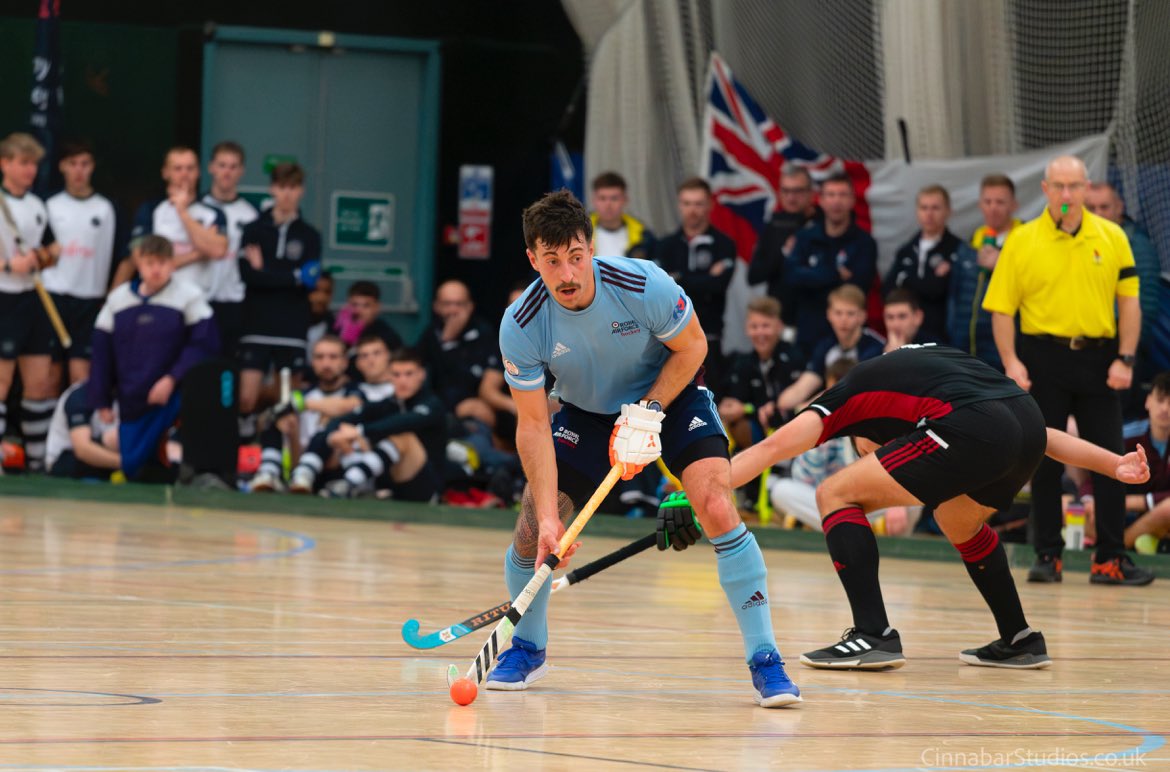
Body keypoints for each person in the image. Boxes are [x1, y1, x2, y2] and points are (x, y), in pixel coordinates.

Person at [493, 190, 800, 707]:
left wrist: (650, 409)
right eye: (551, 261)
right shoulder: (521, 323)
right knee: (530, 535)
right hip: (586, 415)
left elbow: (695, 346)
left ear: (590, 247)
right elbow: (531, 424)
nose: (567, 274)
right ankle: (527, 646)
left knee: (717, 503)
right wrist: (550, 519)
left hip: (671, 395)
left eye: (575, 256)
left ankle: (766, 658)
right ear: (533, 260)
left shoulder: (643, 283)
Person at [728, 344, 1153, 669]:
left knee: (835, 493)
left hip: (972, 426)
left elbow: (768, 449)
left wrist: (703, 493)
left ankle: (872, 635)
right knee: (956, 519)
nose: (869, 456)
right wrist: (1114, 464)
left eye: (864, 453)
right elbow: (1040, 434)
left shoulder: (843, 399)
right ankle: (1020, 638)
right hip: (1023, 424)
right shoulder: (925, 366)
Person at [983, 155, 1153, 586]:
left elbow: (1129, 301)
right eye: (1057, 186)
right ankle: (1048, 555)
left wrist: (1126, 357)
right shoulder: (1021, 241)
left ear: (1086, 188)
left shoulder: (1112, 236)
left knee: (1113, 457)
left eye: (1073, 187)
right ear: (1045, 189)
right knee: (1042, 457)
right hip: (1042, 358)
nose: (1065, 195)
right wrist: (1011, 362)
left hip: (1099, 360)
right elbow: (1001, 308)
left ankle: (1110, 558)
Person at [89, 235, 218, 481]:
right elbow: (101, 353)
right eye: (150, 263)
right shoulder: (118, 300)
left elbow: (203, 344)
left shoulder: (189, 296)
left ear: (172, 264)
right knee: (133, 466)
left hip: (173, 394)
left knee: (167, 461)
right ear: (139, 264)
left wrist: (171, 378)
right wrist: (102, 399)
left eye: (162, 262)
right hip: (132, 397)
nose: (156, 269)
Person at [237, 162, 322, 423]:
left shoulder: (310, 236)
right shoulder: (253, 229)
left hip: (291, 326)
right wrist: (290, 276)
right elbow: (247, 276)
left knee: (286, 400)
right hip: (256, 322)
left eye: (293, 188)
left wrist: (265, 272)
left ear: (301, 191)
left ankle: (277, 453)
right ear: (272, 189)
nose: (287, 194)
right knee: (246, 398)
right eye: (282, 187)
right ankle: (248, 445)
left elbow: (309, 281)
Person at [0, 132, 62, 473]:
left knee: (39, 382)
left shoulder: (38, 205)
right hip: (3, 297)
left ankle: (39, 465)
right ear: (5, 164)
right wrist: (10, 265)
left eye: (34, 164)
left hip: (33, 298)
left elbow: (55, 248)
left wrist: (42, 256)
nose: (30, 170)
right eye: (23, 163)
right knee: (2, 382)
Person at [321, 347, 447, 501]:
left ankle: (349, 483)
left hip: (426, 484)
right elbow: (347, 418)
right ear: (389, 376)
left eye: (409, 374)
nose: (402, 380)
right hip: (390, 482)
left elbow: (403, 421)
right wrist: (336, 433)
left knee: (403, 437)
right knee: (339, 434)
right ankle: (306, 477)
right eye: (396, 374)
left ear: (421, 374)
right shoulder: (386, 404)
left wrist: (360, 432)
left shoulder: (432, 404)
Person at [42, 140, 118, 386]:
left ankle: (79, 423)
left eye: (84, 164)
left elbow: (126, 257)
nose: (79, 170)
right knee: (49, 375)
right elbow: (38, 253)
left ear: (92, 167)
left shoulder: (106, 208)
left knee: (81, 376)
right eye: (72, 164)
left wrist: (111, 297)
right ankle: (49, 425)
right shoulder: (49, 206)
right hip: (53, 298)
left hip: (89, 300)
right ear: (62, 166)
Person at [652, 177, 737, 388]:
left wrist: (677, 278)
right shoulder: (664, 246)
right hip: (668, 342)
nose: (692, 210)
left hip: (709, 338)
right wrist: (705, 278)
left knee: (709, 403)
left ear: (710, 205)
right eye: (687, 203)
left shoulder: (724, 245)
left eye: (698, 204)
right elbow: (658, 291)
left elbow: (718, 286)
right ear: (679, 205)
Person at [250, 334, 362, 492]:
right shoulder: (303, 394)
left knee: (330, 425)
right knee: (277, 420)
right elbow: (265, 422)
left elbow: (348, 406)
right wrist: (289, 428)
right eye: (320, 357)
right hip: (302, 472)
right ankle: (268, 472)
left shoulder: (356, 391)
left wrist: (297, 404)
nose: (326, 363)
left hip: (338, 473)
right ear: (312, 362)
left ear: (344, 362)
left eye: (333, 357)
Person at [288, 332, 395, 493]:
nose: (371, 361)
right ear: (357, 363)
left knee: (339, 427)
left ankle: (351, 482)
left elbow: (349, 406)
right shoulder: (362, 389)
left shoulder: (397, 392)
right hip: (329, 463)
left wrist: (302, 404)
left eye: (377, 353)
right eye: (364, 356)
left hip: (383, 465)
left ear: (389, 356)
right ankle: (300, 474)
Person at [785, 172, 877, 357]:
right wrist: (834, 274)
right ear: (821, 200)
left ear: (852, 200)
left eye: (842, 195)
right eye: (831, 195)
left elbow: (857, 289)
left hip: (848, 339)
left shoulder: (864, 242)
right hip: (808, 334)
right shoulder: (805, 237)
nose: (837, 201)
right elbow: (792, 278)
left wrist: (812, 276)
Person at [114, 146, 228, 294]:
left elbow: (218, 250)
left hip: (200, 298)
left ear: (199, 172)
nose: (184, 174)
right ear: (165, 172)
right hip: (158, 298)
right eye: (178, 168)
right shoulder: (150, 210)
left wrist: (182, 212)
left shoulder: (214, 213)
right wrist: (199, 253)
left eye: (190, 168)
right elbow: (140, 258)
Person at [1081, 371, 1170, 552]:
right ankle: (1131, 542)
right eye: (1160, 400)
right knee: (1070, 506)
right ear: (1148, 401)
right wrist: (1090, 501)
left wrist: (1135, 502)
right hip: (1122, 513)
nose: (1165, 409)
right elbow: (1094, 476)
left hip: (1159, 513)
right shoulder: (1125, 435)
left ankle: (1115, 550)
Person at [1085, 182, 1162, 380]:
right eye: (1091, 208)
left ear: (1119, 207)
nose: (1098, 213)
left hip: (1119, 352)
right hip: (1085, 349)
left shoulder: (1138, 247)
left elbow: (1146, 305)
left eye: (1104, 207)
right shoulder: (1080, 243)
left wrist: (1127, 355)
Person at [947, 174, 1021, 370]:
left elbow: (1039, 292)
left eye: (1000, 202)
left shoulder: (1026, 242)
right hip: (966, 347)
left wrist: (1003, 267)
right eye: (987, 201)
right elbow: (954, 296)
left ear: (1014, 205)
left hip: (1008, 352)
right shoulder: (969, 245)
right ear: (980, 204)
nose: (993, 208)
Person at [777, 284, 885, 415]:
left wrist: (809, 408)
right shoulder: (826, 346)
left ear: (862, 316)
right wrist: (779, 405)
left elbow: (847, 390)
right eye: (838, 313)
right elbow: (803, 387)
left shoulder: (875, 347)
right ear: (829, 314)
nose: (843, 320)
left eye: (850, 313)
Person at [416, 279, 509, 428]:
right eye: (447, 304)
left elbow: (478, 381)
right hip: (439, 409)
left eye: (459, 304)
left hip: (478, 408)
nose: (453, 310)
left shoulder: (484, 332)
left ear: (470, 306)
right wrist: (447, 343)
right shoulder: (431, 334)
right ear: (436, 306)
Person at [718, 296, 805, 452]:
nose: (760, 333)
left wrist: (746, 408)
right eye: (754, 326)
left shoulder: (795, 358)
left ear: (779, 327)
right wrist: (727, 408)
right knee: (735, 425)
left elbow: (798, 405)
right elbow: (734, 400)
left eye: (766, 326)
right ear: (747, 328)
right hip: (756, 434)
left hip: (791, 430)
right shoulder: (742, 362)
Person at [884, 184, 966, 342]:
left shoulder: (959, 250)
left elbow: (938, 289)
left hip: (945, 338)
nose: (929, 214)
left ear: (948, 211)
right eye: (924, 208)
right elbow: (888, 291)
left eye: (935, 208)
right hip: (907, 336)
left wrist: (906, 279)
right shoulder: (906, 250)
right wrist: (929, 283)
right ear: (917, 212)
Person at [201, 141, 260, 358]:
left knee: (228, 363)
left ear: (241, 171)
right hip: (199, 297)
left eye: (233, 166)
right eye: (222, 165)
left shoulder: (251, 214)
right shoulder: (195, 208)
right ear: (211, 168)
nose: (227, 172)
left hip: (235, 301)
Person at [747, 163, 821, 317]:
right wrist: (784, 252)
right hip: (781, 316)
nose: (791, 197)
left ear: (811, 193)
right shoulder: (773, 225)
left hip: (817, 315)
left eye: (798, 191)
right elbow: (754, 276)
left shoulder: (824, 224)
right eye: (786, 191)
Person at [45, 378, 119, 479]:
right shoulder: (80, 395)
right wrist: (127, 463)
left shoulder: (131, 394)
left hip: (113, 457)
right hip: (64, 460)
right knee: (113, 439)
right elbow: (82, 449)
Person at [334, 281, 404, 374]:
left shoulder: (387, 336)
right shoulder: (337, 330)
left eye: (366, 306)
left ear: (377, 307)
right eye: (354, 305)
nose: (358, 311)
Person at [589, 171, 654, 261]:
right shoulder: (579, 233)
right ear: (594, 200)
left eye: (614, 198)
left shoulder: (644, 237)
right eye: (602, 198)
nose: (608, 204)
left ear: (625, 200)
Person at [882, 288, 939, 352]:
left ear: (918, 317)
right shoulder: (876, 350)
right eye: (890, 317)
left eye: (902, 316)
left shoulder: (935, 349)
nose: (896, 324)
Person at [306, 272, 336, 349]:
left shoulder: (336, 326)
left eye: (327, 292)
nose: (321, 297)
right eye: (315, 290)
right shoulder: (289, 324)